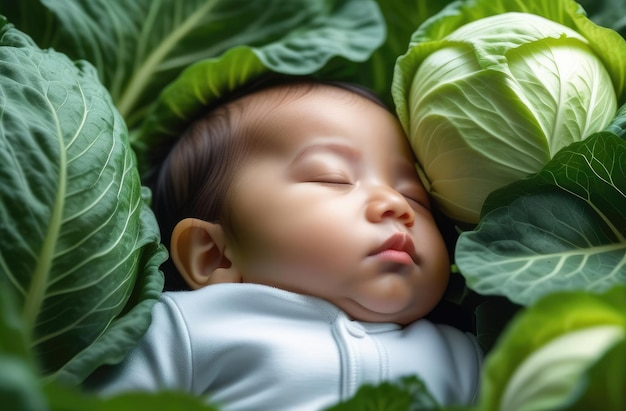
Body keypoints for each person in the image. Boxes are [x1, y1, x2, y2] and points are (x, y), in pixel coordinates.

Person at [88, 77, 482, 410]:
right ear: (214, 254)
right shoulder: (185, 330)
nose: (396, 205)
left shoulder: (465, 357)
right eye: (332, 177)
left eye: (416, 197)